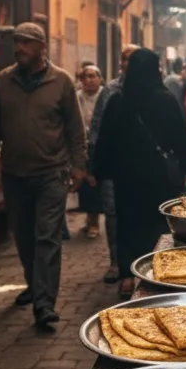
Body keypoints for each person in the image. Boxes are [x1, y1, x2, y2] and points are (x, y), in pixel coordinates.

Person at [0, 22, 87, 329]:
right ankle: (34, 283)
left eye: (26, 43)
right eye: (17, 43)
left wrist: (79, 165)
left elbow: (75, 129)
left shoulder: (61, 82)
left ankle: (44, 304)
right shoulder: (3, 81)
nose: (19, 48)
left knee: (47, 237)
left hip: (52, 173)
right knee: (24, 237)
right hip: (14, 174)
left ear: (42, 47)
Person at [93, 49, 186, 298]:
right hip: (159, 177)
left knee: (128, 223)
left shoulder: (118, 101)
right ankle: (157, 271)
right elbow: (181, 138)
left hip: (126, 176)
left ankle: (128, 276)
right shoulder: (166, 100)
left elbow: (105, 140)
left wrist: (100, 171)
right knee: (158, 223)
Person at [76, 65, 104, 239]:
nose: (89, 80)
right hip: (82, 144)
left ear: (100, 79)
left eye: (93, 76)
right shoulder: (77, 97)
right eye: (86, 77)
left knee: (96, 183)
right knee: (84, 183)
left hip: (100, 145)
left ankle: (94, 221)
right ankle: (89, 218)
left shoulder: (105, 95)